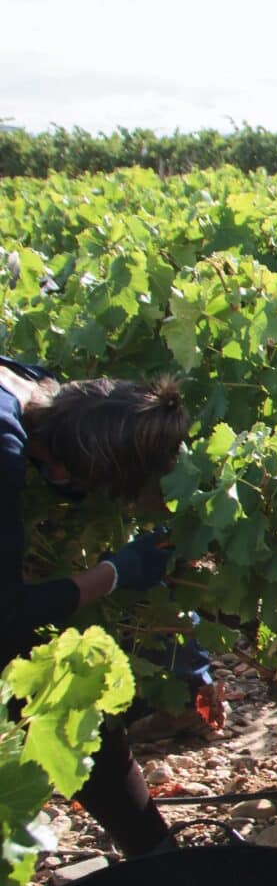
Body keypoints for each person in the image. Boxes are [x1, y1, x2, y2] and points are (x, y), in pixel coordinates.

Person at [1, 357, 189, 857]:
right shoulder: (4, 452)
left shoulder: (30, 382)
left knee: (62, 690)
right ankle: (157, 861)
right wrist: (110, 575)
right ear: (63, 470)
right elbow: (5, 614)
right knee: (54, 688)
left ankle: (155, 857)